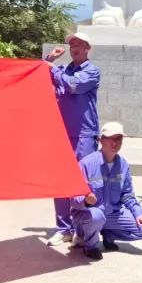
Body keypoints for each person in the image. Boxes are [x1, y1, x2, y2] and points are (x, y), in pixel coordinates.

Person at [44, 32, 101, 246]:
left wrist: (54, 70)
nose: (75, 47)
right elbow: (39, 71)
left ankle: (81, 229)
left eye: (80, 44)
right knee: (60, 181)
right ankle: (63, 228)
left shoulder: (92, 71)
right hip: (61, 133)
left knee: (81, 182)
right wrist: (50, 60)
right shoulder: (63, 69)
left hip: (84, 134)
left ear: (88, 48)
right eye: (72, 44)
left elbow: (73, 86)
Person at [70, 122, 142, 261]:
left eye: (119, 138)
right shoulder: (86, 164)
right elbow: (73, 198)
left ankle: (108, 234)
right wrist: (85, 201)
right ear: (101, 139)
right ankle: (89, 245)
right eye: (111, 138)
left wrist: (139, 213)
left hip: (112, 214)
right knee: (97, 216)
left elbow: (127, 195)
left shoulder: (123, 165)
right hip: (89, 214)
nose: (115, 142)